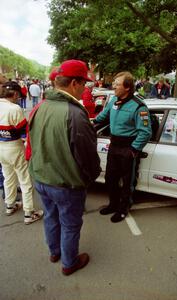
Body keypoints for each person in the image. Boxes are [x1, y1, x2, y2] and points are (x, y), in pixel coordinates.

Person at [28, 59, 101, 275]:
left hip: (41, 178)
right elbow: (87, 158)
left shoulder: (40, 106)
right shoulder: (76, 114)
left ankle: (54, 251)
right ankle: (69, 263)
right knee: (70, 224)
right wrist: (88, 179)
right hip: (65, 183)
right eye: (85, 83)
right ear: (74, 83)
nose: (86, 88)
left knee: (51, 216)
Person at [93, 72, 152, 223]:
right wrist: (90, 123)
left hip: (128, 148)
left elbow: (145, 132)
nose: (113, 86)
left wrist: (133, 150)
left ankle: (123, 209)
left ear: (127, 88)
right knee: (110, 178)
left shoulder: (139, 106)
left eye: (117, 84)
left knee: (127, 182)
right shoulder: (114, 99)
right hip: (114, 146)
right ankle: (113, 204)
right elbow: (103, 117)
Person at [0, 81, 44, 224]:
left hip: (1, 147)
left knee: (8, 177)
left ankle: (10, 205)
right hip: (14, 146)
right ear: (16, 94)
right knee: (25, 181)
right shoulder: (15, 108)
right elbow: (23, 130)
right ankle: (28, 213)